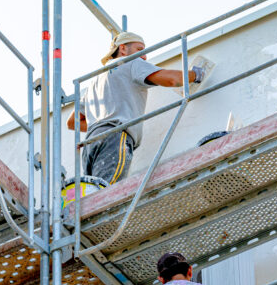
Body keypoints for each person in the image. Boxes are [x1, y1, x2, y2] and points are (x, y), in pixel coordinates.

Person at [67, 32, 205, 185]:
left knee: (95, 193)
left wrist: (100, 126)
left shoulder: (94, 81)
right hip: (114, 137)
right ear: (123, 49)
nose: (144, 57)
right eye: (140, 50)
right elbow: (173, 80)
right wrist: (195, 74)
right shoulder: (131, 62)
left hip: (90, 145)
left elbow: (73, 122)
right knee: (108, 193)